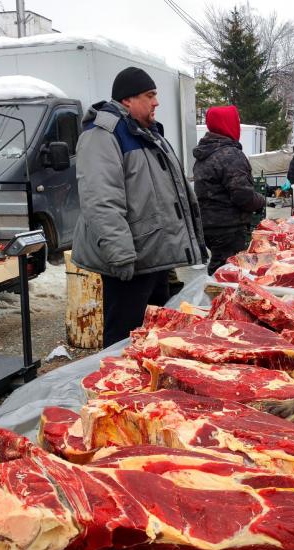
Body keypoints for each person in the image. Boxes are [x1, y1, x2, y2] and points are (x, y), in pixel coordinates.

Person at [73, 66, 207, 347]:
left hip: (155, 257)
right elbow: (101, 200)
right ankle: (113, 389)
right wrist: (120, 254)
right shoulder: (103, 136)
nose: (156, 102)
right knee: (123, 339)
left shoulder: (148, 133)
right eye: (150, 95)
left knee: (153, 336)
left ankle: (146, 388)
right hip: (131, 261)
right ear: (127, 100)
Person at [193, 105, 265, 275]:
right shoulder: (230, 155)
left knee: (220, 266)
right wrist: (261, 200)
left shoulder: (205, 153)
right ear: (228, 124)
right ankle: (217, 299)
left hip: (210, 226)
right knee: (228, 273)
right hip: (229, 228)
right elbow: (243, 196)